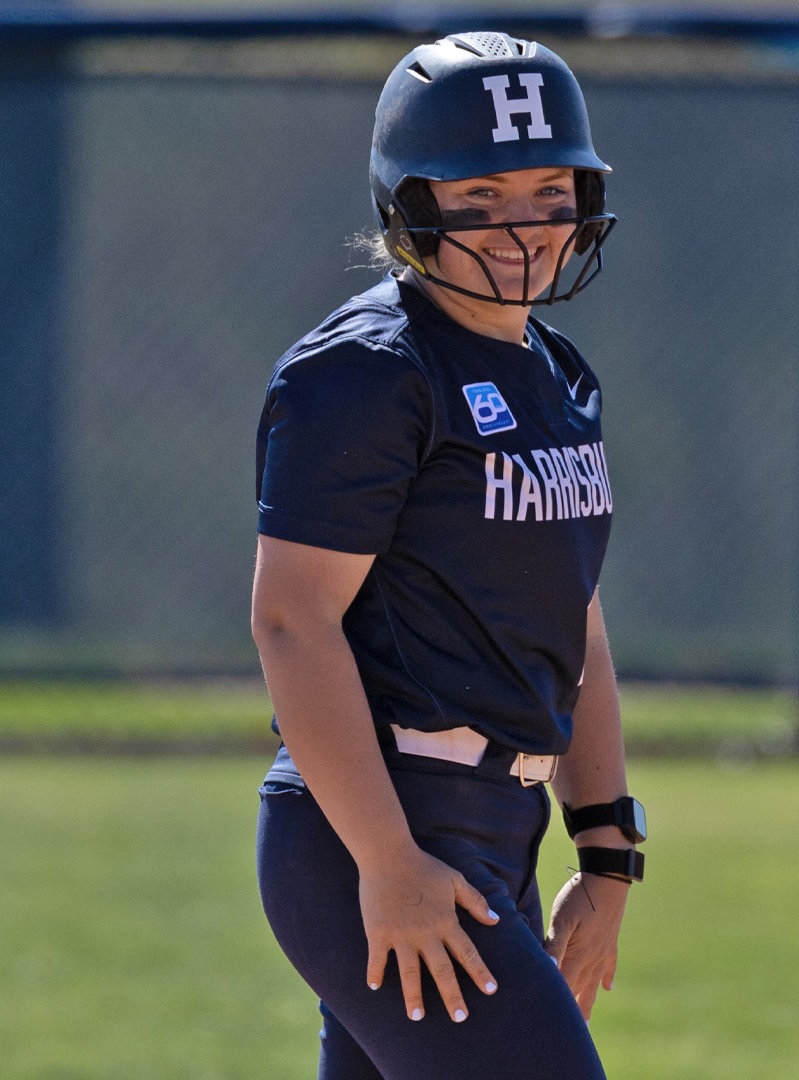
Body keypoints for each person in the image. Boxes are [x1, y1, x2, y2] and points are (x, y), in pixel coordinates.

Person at [251, 31, 648, 1080]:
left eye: (546, 191)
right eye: (479, 198)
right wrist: (385, 858)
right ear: (410, 208)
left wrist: (606, 849)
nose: (521, 227)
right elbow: (293, 618)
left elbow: (577, 622)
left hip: (497, 828)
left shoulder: (555, 371)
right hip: (382, 821)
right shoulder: (371, 368)